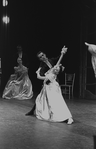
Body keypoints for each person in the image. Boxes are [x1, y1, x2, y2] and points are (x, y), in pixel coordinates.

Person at [26, 46, 73, 124]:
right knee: (43, 99)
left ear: (45, 54)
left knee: (55, 100)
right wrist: (46, 77)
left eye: (42, 55)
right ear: (39, 59)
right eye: (40, 57)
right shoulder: (42, 65)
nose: (42, 57)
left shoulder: (51, 60)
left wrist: (62, 53)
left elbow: (58, 61)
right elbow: (40, 76)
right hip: (49, 84)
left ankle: (64, 115)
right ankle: (55, 114)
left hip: (54, 83)